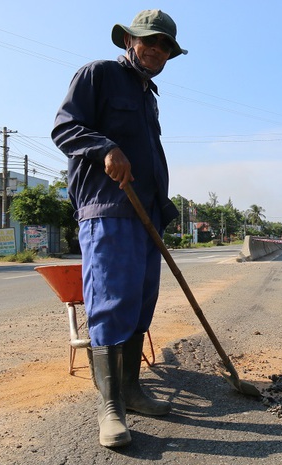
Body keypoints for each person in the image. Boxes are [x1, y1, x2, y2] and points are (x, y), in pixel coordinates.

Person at [51, 9, 187, 448]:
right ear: (129, 40)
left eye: (165, 45)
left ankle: (131, 390)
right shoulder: (99, 74)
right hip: (108, 208)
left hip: (146, 211)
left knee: (139, 303)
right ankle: (109, 408)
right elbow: (65, 128)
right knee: (110, 302)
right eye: (149, 40)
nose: (156, 49)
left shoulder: (148, 94)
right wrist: (105, 147)